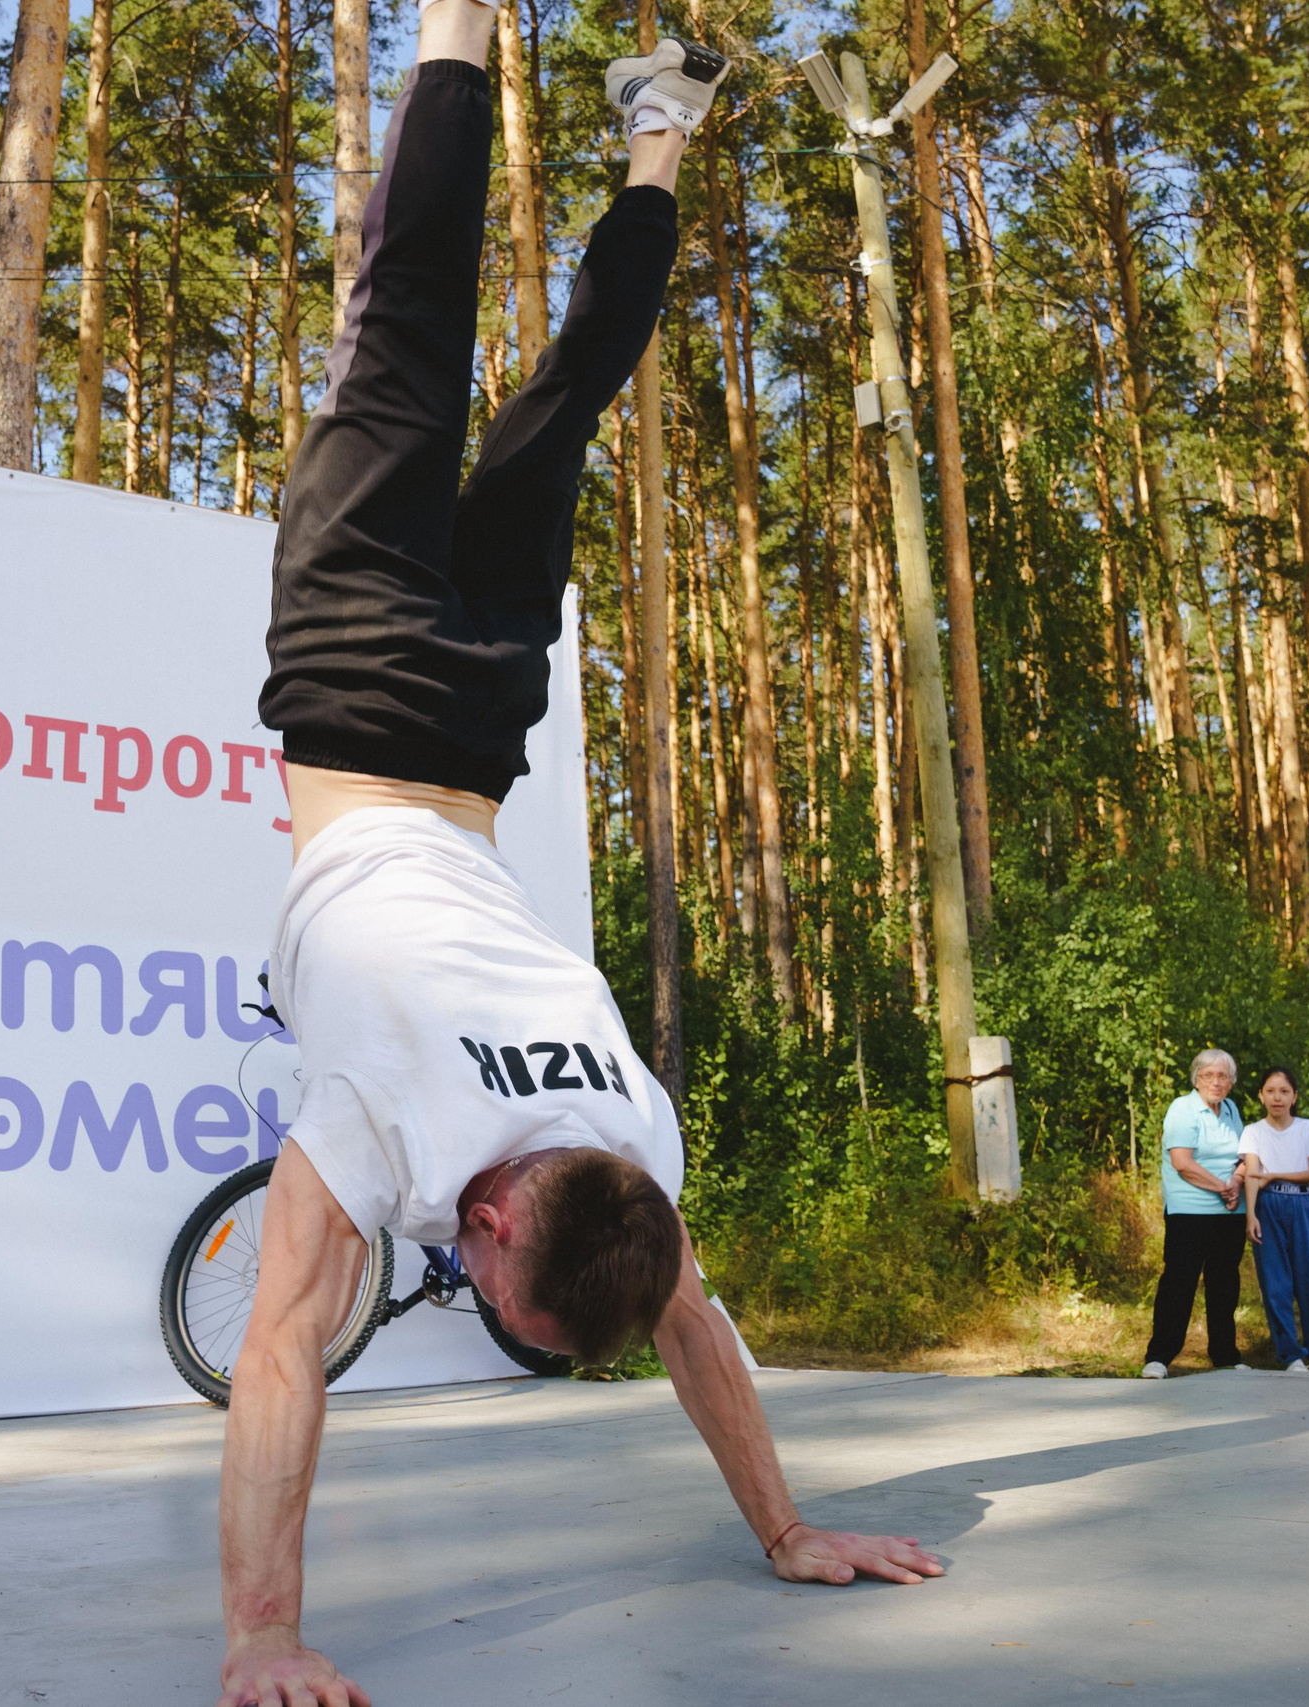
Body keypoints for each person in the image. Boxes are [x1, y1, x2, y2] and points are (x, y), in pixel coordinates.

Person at [218, 14, 942, 1706]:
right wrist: (262, 1632)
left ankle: (659, 131)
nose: (469, 1292)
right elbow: (276, 1359)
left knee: (569, 392)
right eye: (493, 1292)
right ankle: (464, 23)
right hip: (360, 679)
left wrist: (789, 1533)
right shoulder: (404, 1119)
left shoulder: (638, 1146)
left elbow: (693, 1326)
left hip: (482, 713)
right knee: (412, 327)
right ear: (486, 1219)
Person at [1141, 1049, 1250, 1378]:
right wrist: (1223, 1186)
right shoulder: (1182, 1109)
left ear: (1231, 1082)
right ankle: (1159, 1357)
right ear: (1196, 1079)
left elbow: (1247, 1155)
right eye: (1209, 1076)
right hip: (1188, 1213)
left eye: (1223, 1076)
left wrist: (1237, 1182)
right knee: (1179, 1283)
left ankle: (1225, 1356)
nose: (1216, 1082)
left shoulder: (1231, 1109)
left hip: (1230, 1213)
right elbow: (1182, 1163)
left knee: (1224, 1285)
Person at [1238, 1066, 1309, 1374]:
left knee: (1308, 1283)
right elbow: (1253, 1175)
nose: (1277, 1097)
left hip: (1302, 1205)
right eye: (1270, 1091)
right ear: (1261, 1096)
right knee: (1275, 1285)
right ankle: (1291, 1355)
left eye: (1284, 1091)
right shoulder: (1253, 1132)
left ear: (1294, 1097)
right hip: (1267, 1207)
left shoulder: (1308, 1129)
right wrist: (1251, 1213)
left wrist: (1275, 1173)